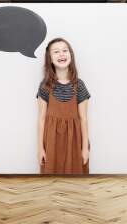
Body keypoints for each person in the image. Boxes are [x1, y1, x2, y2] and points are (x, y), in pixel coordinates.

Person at [36, 37, 91, 174]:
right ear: (50, 59)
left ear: (70, 55)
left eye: (65, 50)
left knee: (75, 180)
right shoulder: (45, 86)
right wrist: (40, 149)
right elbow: (41, 118)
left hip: (74, 141)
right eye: (56, 52)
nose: (61, 54)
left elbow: (83, 119)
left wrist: (85, 149)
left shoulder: (79, 86)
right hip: (51, 142)